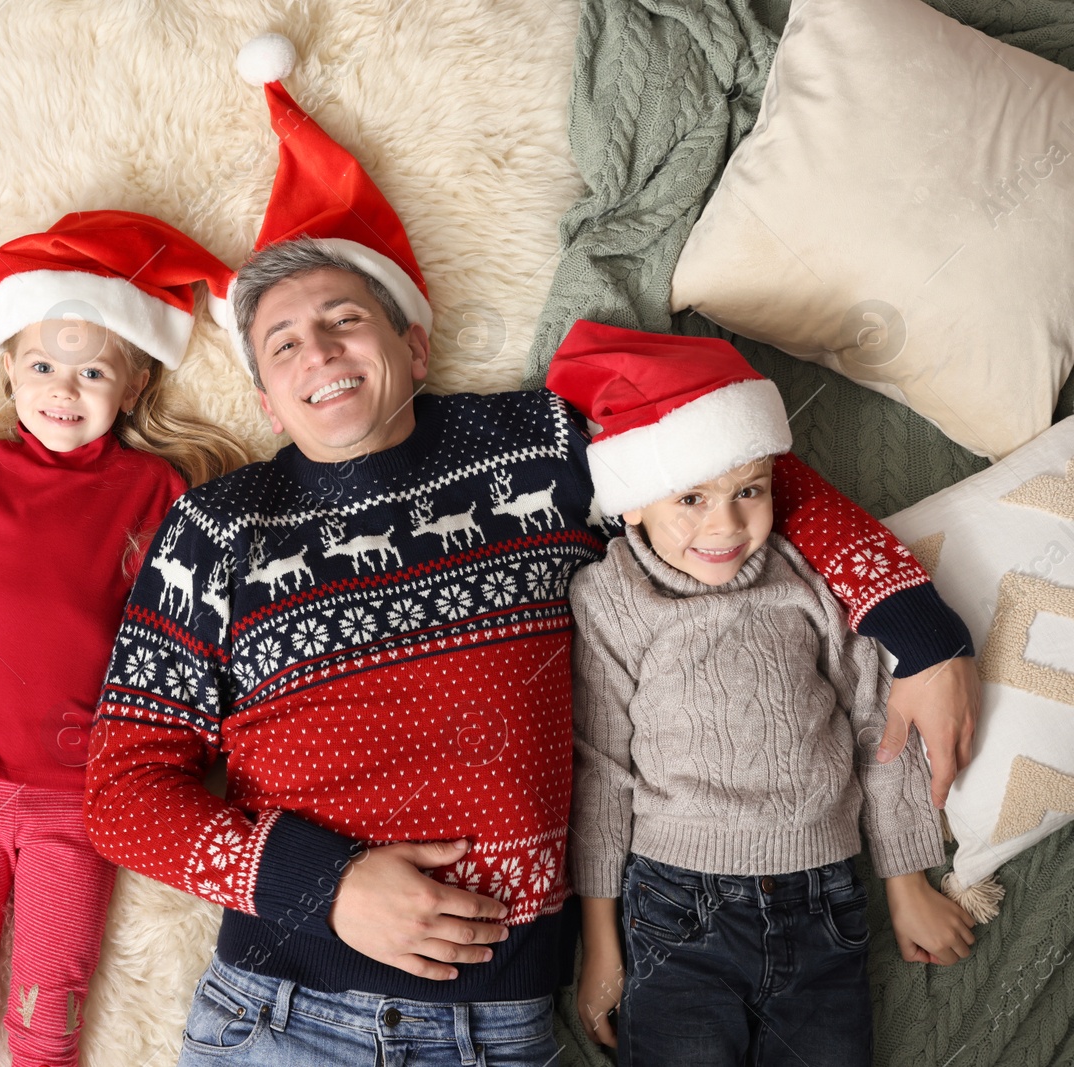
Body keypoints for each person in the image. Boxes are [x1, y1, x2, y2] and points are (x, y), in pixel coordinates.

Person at [84, 36, 982, 1066]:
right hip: (291, 1009)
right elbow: (123, 793)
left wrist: (914, 627)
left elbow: (736, 470)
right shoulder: (217, 528)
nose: (319, 351)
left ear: (414, 344)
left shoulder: (538, 446)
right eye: (282, 343)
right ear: (262, 397)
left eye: (345, 319)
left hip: (503, 1028)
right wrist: (318, 882)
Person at [0, 211, 250, 1067]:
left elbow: (175, 636)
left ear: (132, 388)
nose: (64, 387)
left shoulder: (152, 488)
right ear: (9, 369)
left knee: (50, 1019)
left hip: (82, 799)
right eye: (44, 364)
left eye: (92, 372)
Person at [551, 328, 975, 1064]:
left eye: (750, 489)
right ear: (633, 506)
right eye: (691, 497)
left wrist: (905, 884)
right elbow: (601, 773)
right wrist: (601, 945)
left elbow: (877, 720)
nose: (726, 524)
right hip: (677, 910)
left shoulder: (803, 581)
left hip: (826, 903)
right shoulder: (612, 599)